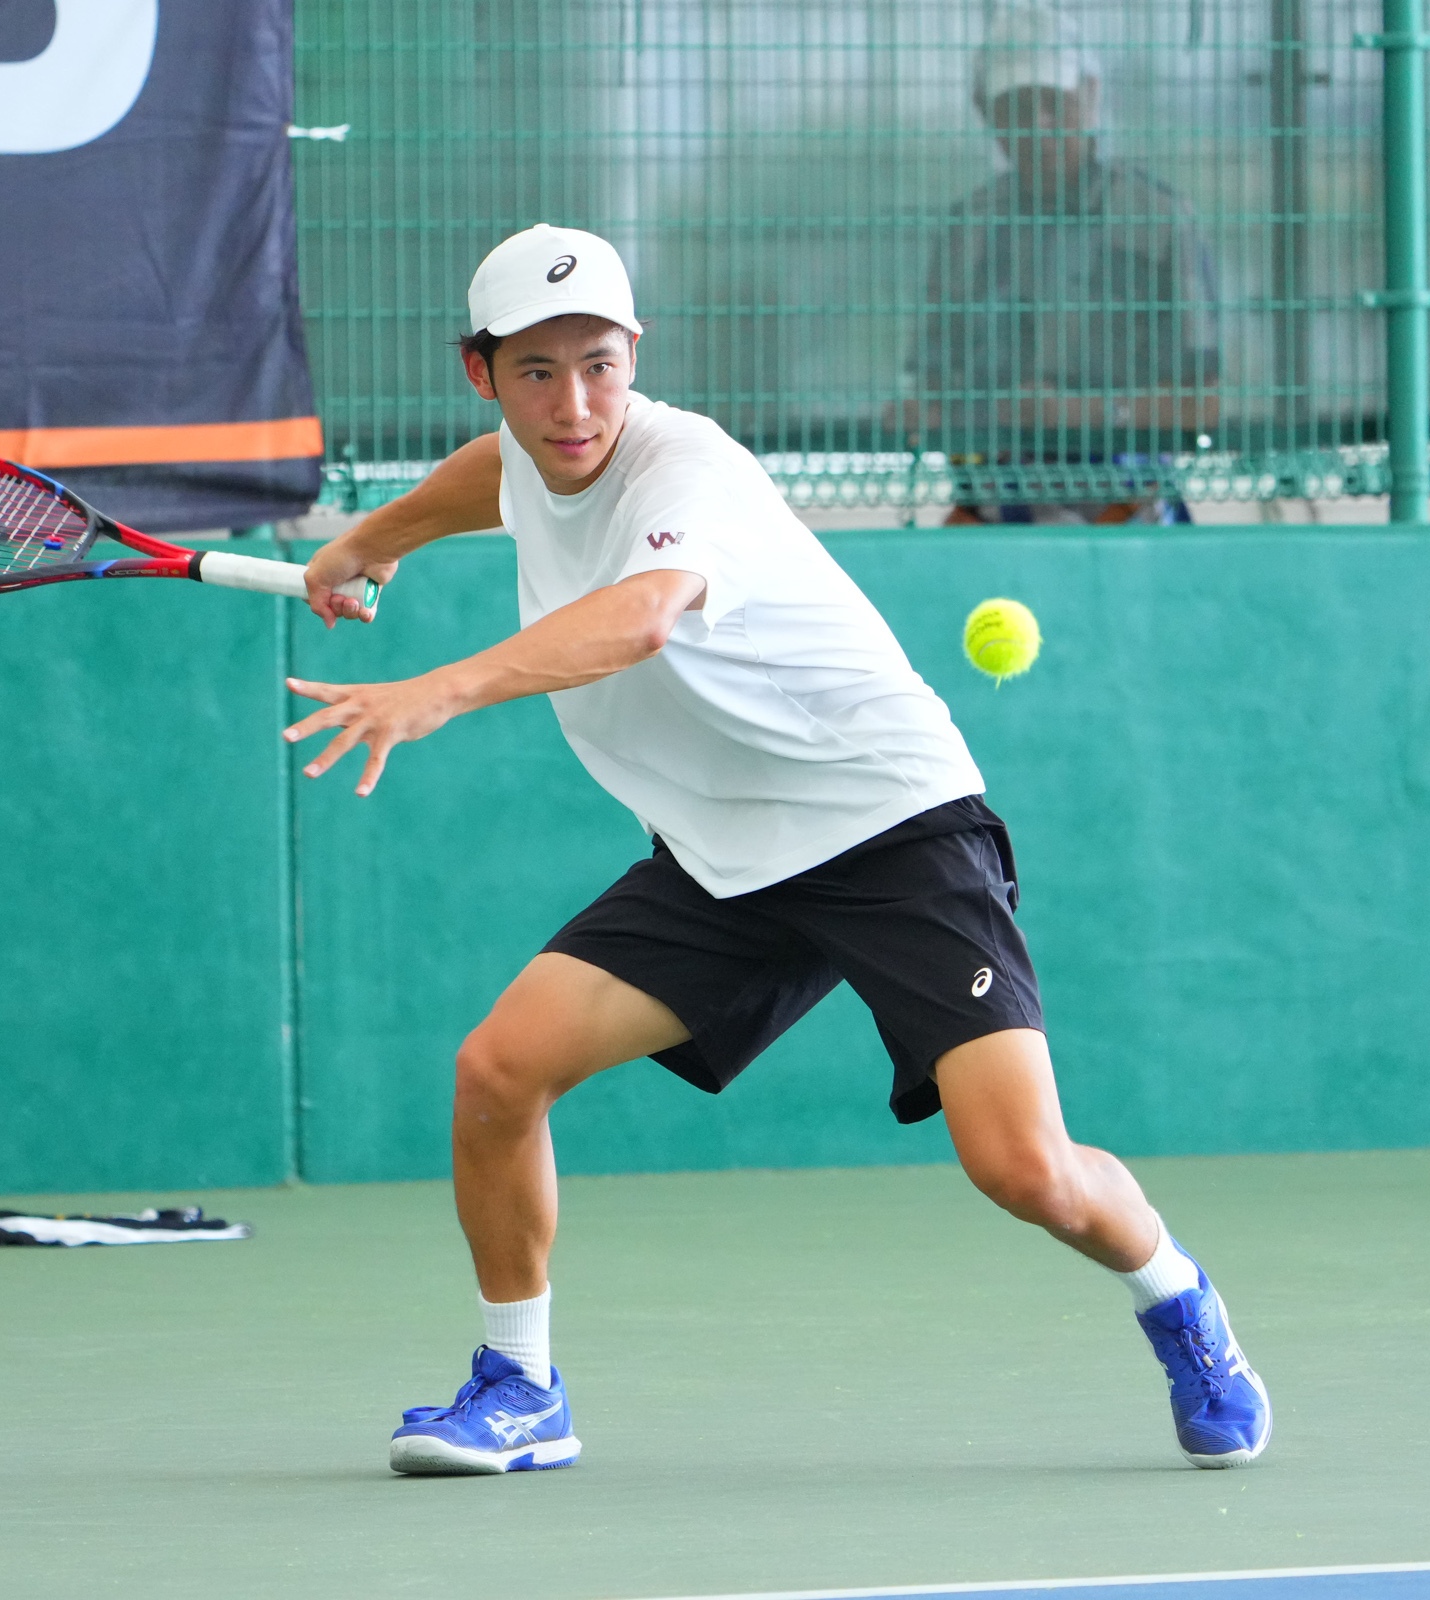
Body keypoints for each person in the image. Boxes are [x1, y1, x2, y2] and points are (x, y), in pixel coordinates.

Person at [288, 223, 1270, 1477]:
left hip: (889, 827)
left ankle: (1177, 1297)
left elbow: (642, 617)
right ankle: (522, 1387)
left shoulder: (688, 468)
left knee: (1025, 1169)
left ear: (635, 354)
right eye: (536, 371)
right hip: (722, 857)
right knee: (498, 1072)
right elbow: (496, 477)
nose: (574, 403)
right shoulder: (528, 450)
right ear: (482, 373)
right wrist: (373, 539)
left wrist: (441, 688)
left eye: (599, 365)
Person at [905, 4, 1221, 524]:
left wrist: (1082, 413)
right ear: (988, 116)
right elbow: (930, 391)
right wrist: (938, 415)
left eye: (1053, 101)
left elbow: (1206, 405)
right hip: (999, 503)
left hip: (1129, 505)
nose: (1038, 124)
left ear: (1091, 97)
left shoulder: (1158, 220)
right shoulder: (967, 231)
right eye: (1016, 107)